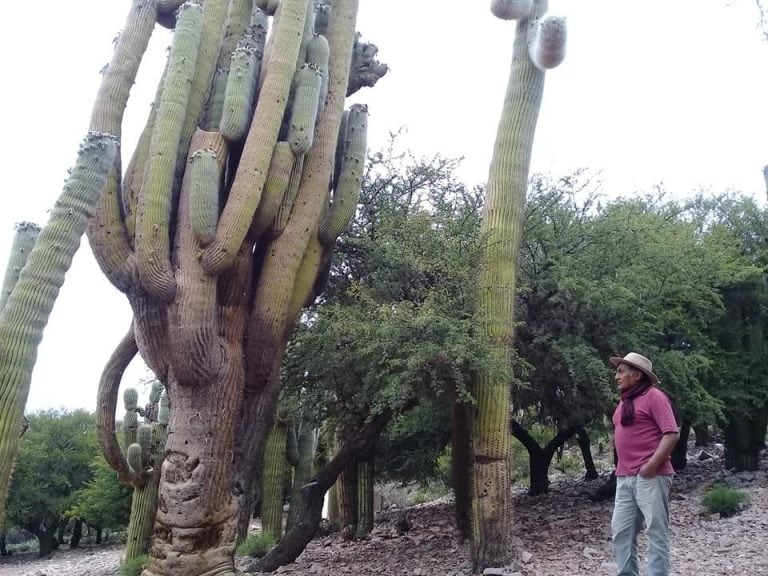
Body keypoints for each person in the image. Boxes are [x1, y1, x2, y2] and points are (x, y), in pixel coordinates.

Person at [609, 352, 679, 576]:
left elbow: (671, 434)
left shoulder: (655, 396)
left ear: (637, 375)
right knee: (621, 531)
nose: (616, 376)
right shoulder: (624, 403)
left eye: (621, 371)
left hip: (651, 475)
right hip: (625, 477)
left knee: (655, 531)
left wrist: (650, 466)